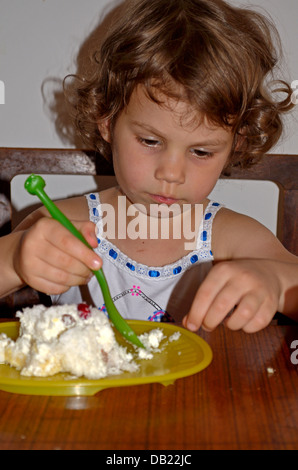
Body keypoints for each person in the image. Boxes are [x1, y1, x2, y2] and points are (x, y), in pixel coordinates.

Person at [1, 0, 297, 333]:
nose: (171, 173)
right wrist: (14, 258)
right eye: (151, 142)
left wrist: (275, 281)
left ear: (235, 145)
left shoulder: (231, 238)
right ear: (108, 123)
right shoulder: (61, 223)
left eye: (200, 151)